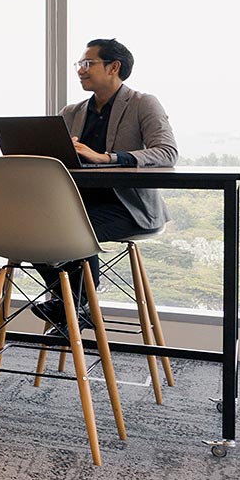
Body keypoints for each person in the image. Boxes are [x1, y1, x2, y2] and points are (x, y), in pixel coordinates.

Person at [37, 37, 177, 327]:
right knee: (33, 228)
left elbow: (167, 151)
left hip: (129, 208)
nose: (80, 70)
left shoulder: (143, 104)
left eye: (89, 64)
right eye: (80, 64)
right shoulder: (71, 112)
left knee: (71, 227)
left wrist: (107, 158)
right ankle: (74, 305)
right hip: (78, 204)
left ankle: (74, 304)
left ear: (114, 67)